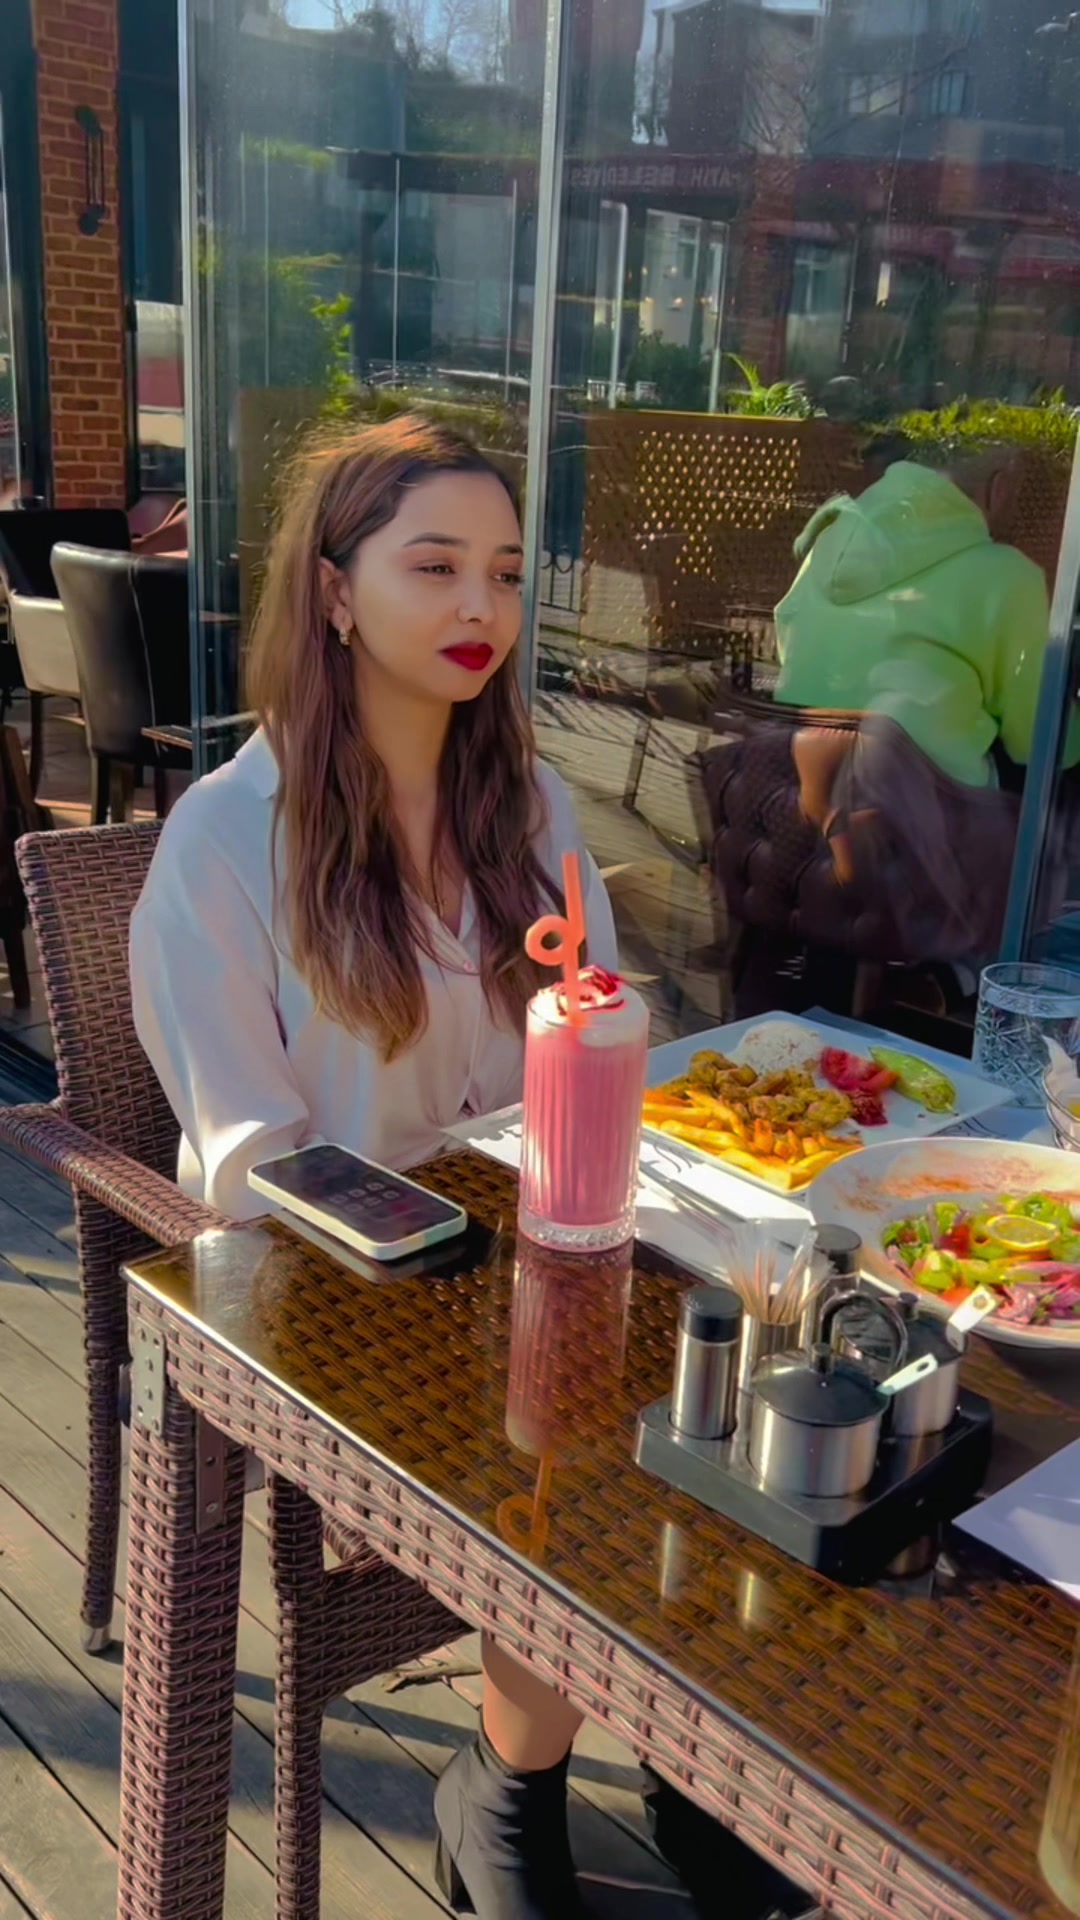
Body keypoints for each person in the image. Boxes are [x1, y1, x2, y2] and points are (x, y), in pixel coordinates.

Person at [130, 416, 618, 1920]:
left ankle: (658, 1774)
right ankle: (513, 1791)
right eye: (435, 566)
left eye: (507, 574)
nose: (481, 607)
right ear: (336, 591)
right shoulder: (227, 842)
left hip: (532, 1263)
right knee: (581, 1441)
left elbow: (595, 1027)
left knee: (734, 1391)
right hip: (335, 1301)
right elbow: (252, 1163)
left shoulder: (531, 811)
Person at [772, 442, 1080, 788]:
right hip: (924, 805)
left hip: (798, 785)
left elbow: (789, 644)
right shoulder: (1009, 575)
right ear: (1000, 489)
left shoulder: (827, 539)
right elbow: (1042, 742)